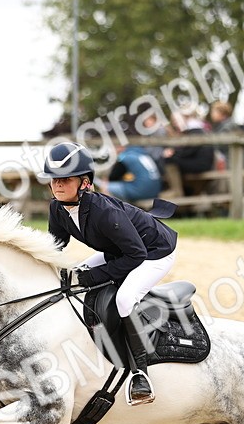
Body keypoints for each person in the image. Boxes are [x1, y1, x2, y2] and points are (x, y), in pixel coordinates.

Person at [45, 142, 178, 406]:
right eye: (54, 180)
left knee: (125, 299)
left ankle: (140, 373)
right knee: (76, 276)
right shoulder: (57, 208)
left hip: (154, 252)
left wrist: (94, 278)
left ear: (84, 182)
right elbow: (54, 247)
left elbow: (136, 256)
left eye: (66, 179)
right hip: (121, 250)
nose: (58, 185)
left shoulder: (104, 212)